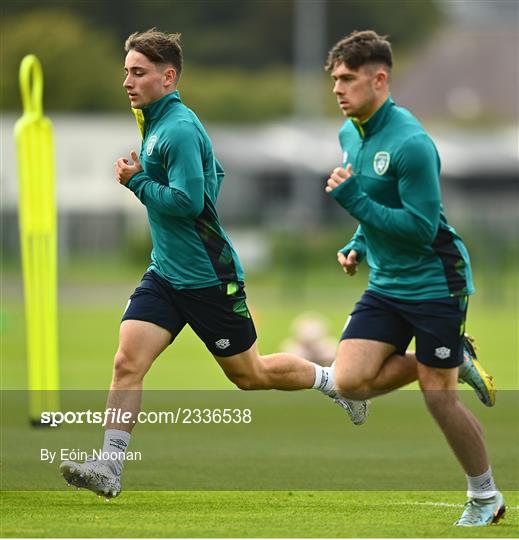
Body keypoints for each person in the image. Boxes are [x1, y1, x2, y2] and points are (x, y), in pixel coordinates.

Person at [59, 29, 369, 499]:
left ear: (168, 77)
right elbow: (214, 175)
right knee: (127, 362)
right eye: (126, 71)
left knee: (251, 375)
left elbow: (187, 201)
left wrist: (137, 181)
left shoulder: (178, 127)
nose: (128, 81)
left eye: (138, 72)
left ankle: (335, 382)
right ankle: (110, 466)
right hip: (165, 274)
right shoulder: (154, 120)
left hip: (208, 278)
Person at [323, 30, 504, 527]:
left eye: (348, 79)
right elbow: (378, 204)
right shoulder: (349, 133)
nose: (338, 89)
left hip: (435, 282)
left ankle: (485, 496)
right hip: (386, 284)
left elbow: (422, 228)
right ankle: (453, 355)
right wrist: (358, 243)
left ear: (379, 79)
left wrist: (354, 201)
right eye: (335, 79)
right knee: (349, 381)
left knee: (436, 396)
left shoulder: (411, 142)